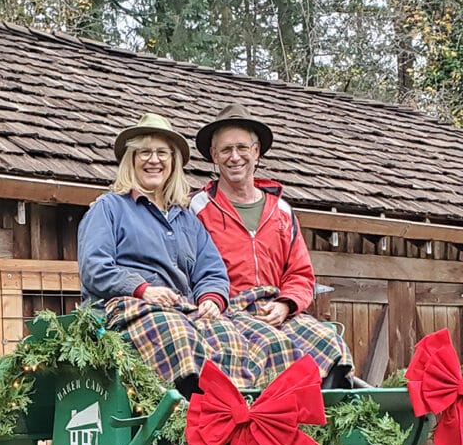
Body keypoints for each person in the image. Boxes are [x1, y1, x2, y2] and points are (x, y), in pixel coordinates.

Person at [78, 112, 278, 399]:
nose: (154, 160)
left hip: (183, 309)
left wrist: (211, 298)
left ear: (173, 162)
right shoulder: (108, 208)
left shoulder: (185, 219)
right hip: (126, 310)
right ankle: (189, 423)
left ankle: (241, 415)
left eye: (162, 153)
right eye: (144, 152)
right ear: (131, 160)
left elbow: (211, 270)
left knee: (233, 337)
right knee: (178, 335)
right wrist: (143, 290)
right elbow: (94, 268)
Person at [190, 103, 353, 388]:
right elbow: (188, 267)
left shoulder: (282, 211)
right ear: (214, 157)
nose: (235, 157)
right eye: (225, 150)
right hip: (225, 310)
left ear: (257, 152)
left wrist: (286, 304)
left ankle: (324, 424)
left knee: (333, 345)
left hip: (275, 309)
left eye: (242, 148)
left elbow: (301, 275)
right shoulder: (198, 208)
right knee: (273, 347)